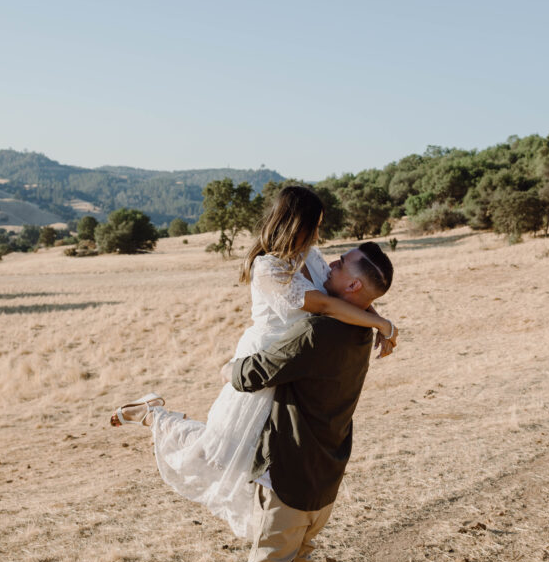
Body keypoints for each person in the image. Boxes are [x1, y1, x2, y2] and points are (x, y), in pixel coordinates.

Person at [111, 186, 397, 539]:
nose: (320, 234)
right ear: (296, 224)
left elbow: (348, 294)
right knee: (216, 453)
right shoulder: (269, 267)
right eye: (315, 225)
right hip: (265, 358)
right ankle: (153, 414)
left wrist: (379, 315)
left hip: (295, 362)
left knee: (259, 456)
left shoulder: (313, 256)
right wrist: (380, 324)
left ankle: (278, 533)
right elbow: (324, 305)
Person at [220, 241, 395, 562]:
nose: (329, 263)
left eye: (340, 265)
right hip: (326, 476)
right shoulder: (361, 332)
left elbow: (251, 376)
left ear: (353, 286)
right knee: (300, 555)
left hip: (289, 475)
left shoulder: (318, 332)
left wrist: (228, 366)